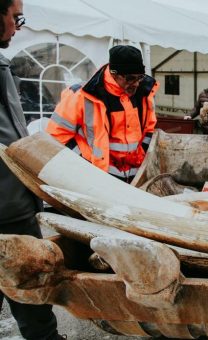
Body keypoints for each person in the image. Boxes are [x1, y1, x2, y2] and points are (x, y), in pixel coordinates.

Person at [0, 0, 64, 339]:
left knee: (32, 290)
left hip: (17, 205)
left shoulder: (2, 64)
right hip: (7, 205)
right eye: (15, 16)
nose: (18, 26)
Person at [46, 45, 158, 183]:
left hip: (135, 177)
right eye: (130, 78)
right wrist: (83, 163)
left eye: (140, 77)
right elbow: (55, 137)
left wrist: (141, 159)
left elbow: (149, 130)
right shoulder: (81, 95)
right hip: (97, 177)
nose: (136, 83)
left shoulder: (144, 94)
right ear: (114, 73)